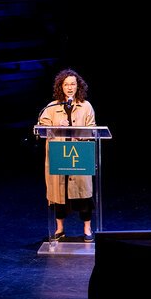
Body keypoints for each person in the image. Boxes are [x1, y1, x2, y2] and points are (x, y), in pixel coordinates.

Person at [39, 68, 96, 242]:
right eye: (66, 84)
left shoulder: (86, 106)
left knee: (84, 194)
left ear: (78, 86)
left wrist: (82, 133)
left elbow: (93, 129)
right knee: (59, 194)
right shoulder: (51, 107)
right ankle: (60, 229)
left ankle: (87, 229)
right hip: (59, 156)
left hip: (79, 156)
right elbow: (42, 129)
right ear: (60, 86)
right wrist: (57, 126)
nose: (70, 87)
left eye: (73, 84)